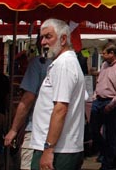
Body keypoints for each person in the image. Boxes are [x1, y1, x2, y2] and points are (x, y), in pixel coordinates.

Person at [30, 18, 86, 170]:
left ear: (63, 39)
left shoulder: (64, 64)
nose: (43, 42)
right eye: (42, 37)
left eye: (48, 36)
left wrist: (48, 149)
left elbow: (60, 108)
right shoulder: (63, 63)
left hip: (59, 150)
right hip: (58, 148)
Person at [4, 45, 52, 170]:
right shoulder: (69, 64)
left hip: (36, 129)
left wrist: (14, 129)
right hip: (57, 131)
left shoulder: (38, 63)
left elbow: (28, 98)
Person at [90, 42, 116, 170]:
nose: (102, 55)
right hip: (98, 101)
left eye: (105, 53)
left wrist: (112, 104)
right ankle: (106, 152)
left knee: (111, 134)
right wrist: (95, 94)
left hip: (111, 102)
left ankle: (107, 163)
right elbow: (100, 80)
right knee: (93, 131)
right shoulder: (104, 64)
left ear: (112, 53)